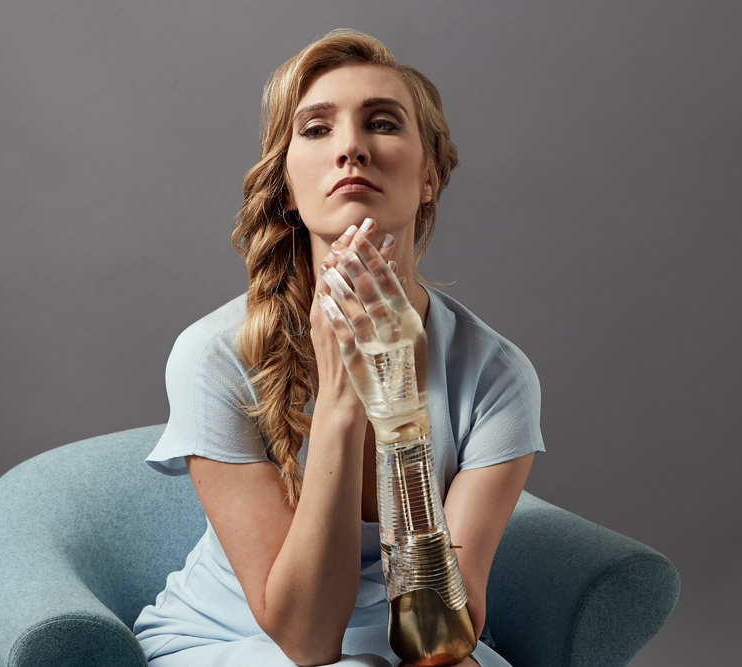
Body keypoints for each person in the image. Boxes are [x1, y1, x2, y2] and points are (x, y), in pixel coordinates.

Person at [133, 29, 545, 667]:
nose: (351, 146)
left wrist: (401, 411)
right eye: (317, 129)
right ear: (289, 182)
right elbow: (303, 639)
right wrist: (344, 402)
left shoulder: (497, 375)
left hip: (416, 640)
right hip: (236, 640)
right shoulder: (213, 356)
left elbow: (437, 641)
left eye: (382, 123)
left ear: (430, 176)